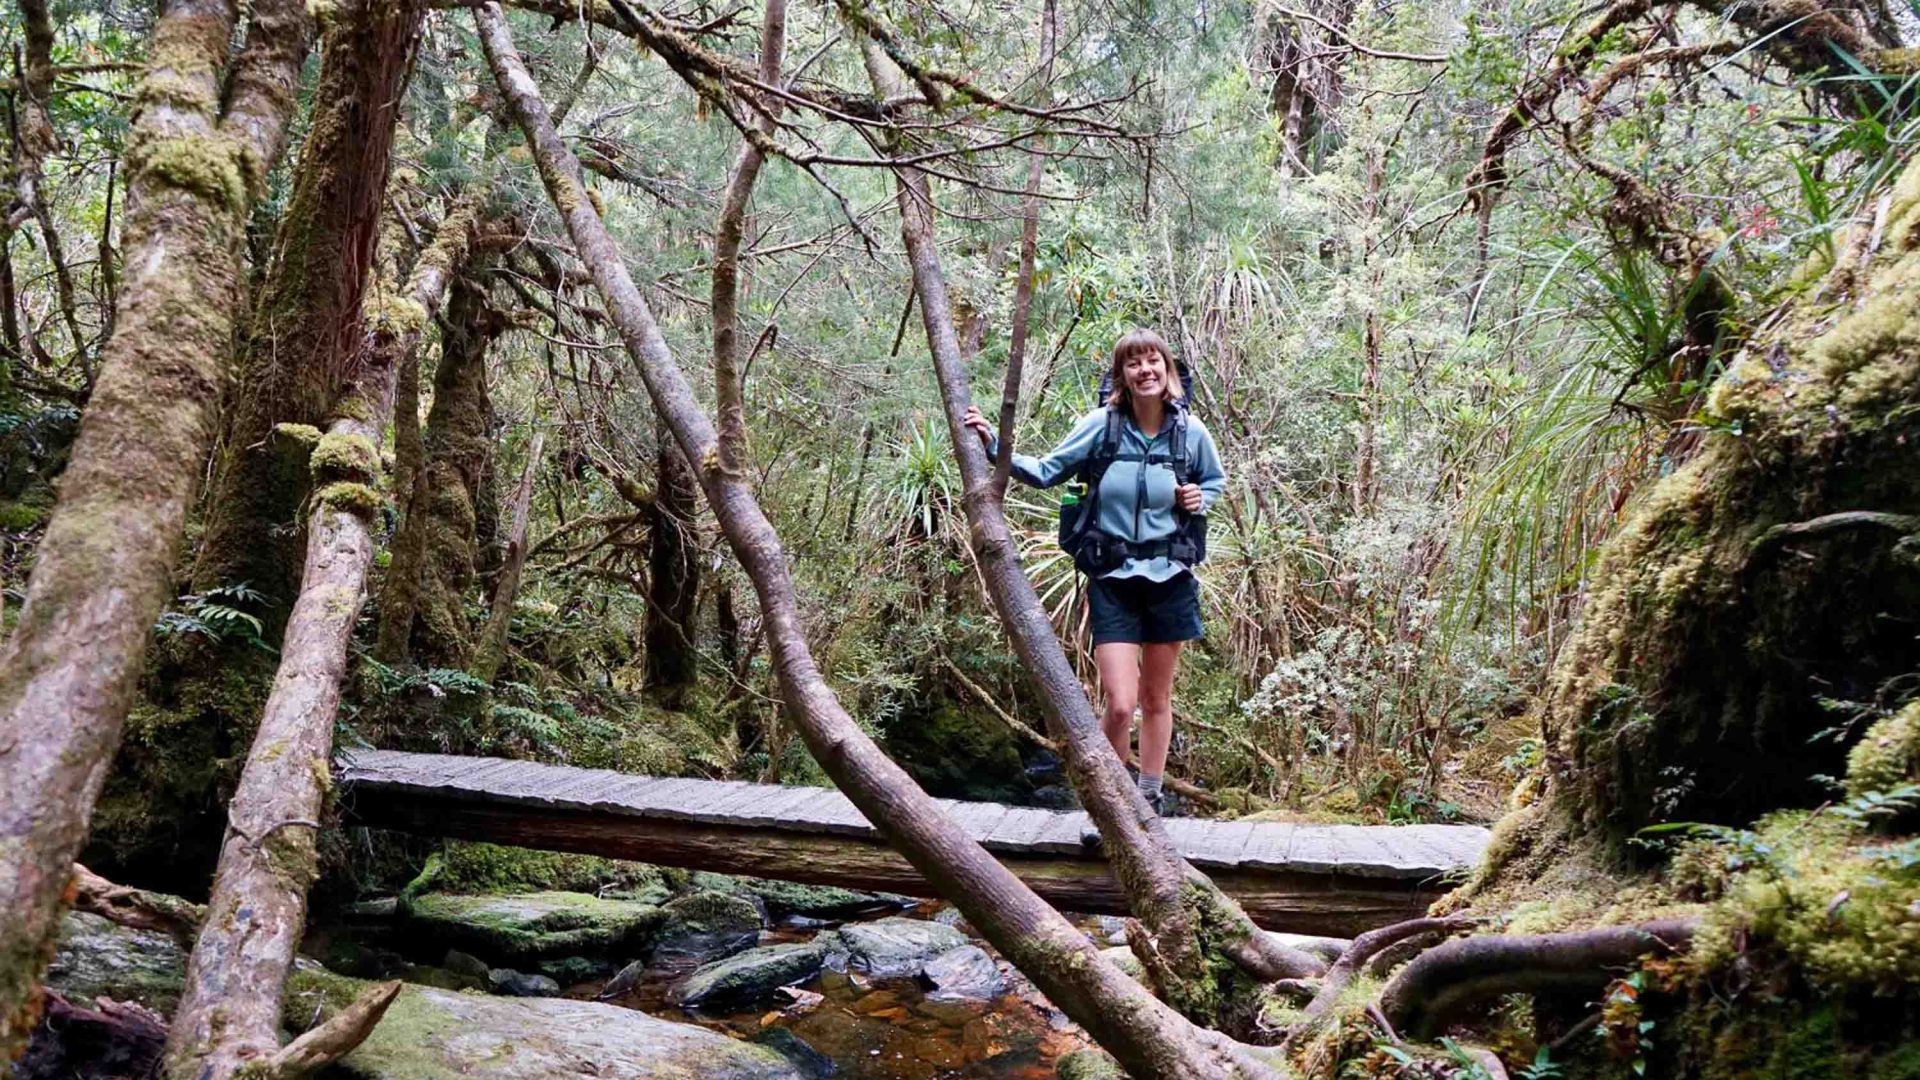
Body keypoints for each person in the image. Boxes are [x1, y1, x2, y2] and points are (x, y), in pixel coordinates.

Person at [963, 328, 1225, 816]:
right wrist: (992, 443)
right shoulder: (1101, 425)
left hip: (1172, 575)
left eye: (1153, 361)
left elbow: (1214, 481)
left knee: (1156, 697)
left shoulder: (1192, 433)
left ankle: (1146, 797)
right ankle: (1107, 803)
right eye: (1134, 363)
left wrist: (1200, 497)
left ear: (1167, 371)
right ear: (1121, 376)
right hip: (1114, 577)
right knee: (1121, 703)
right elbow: (1046, 471)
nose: (1145, 370)